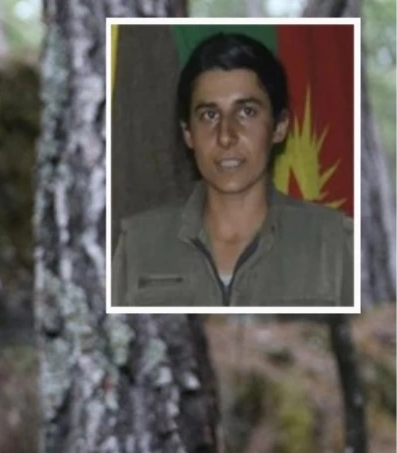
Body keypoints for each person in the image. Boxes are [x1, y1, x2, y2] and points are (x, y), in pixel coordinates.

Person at [112, 32, 353, 308]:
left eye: (247, 112)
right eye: (209, 115)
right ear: (188, 133)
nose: (226, 136)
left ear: (280, 126)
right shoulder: (139, 245)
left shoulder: (334, 244)